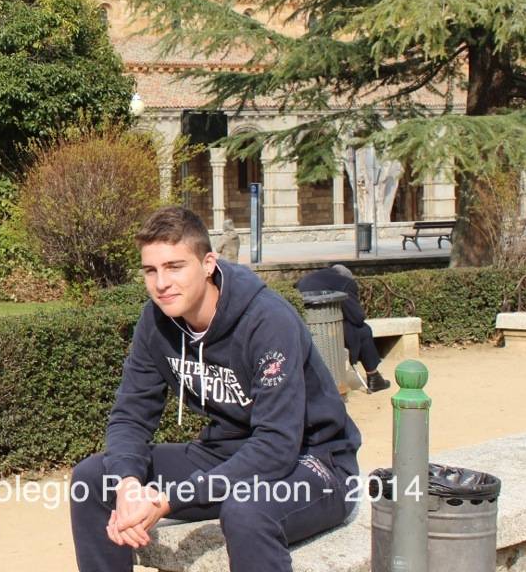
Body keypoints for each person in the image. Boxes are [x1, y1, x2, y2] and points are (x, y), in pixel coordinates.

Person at [70, 206, 361, 572]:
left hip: (314, 462)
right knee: (93, 479)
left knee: (247, 510)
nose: (161, 283)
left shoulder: (267, 321)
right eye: (151, 270)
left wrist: (170, 499)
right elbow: (130, 415)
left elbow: (276, 445)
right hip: (225, 454)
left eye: (175, 267)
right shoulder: (156, 321)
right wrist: (128, 484)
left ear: (208, 264)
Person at [296, 264, 391, 393]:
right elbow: (357, 318)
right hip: (328, 331)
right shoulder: (345, 283)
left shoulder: (307, 278)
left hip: (303, 328)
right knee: (363, 330)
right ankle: (374, 377)